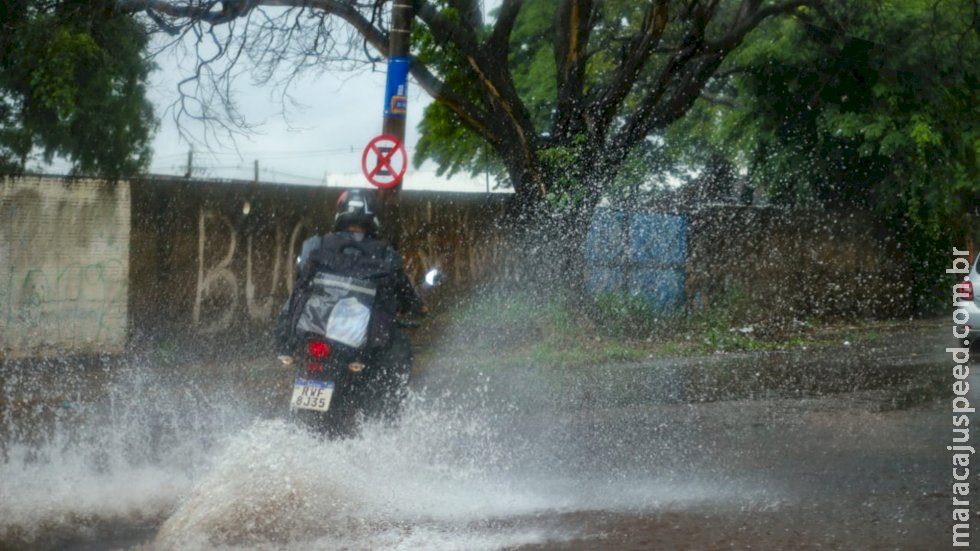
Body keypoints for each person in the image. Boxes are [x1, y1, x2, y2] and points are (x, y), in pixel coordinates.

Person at [274, 188, 423, 416]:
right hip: (357, 342)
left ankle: (284, 349)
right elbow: (403, 291)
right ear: (373, 216)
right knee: (399, 351)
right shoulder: (385, 254)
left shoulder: (315, 245)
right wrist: (416, 306)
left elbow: (300, 280)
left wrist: (285, 339)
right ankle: (385, 416)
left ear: (340, 213)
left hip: (312, 332)